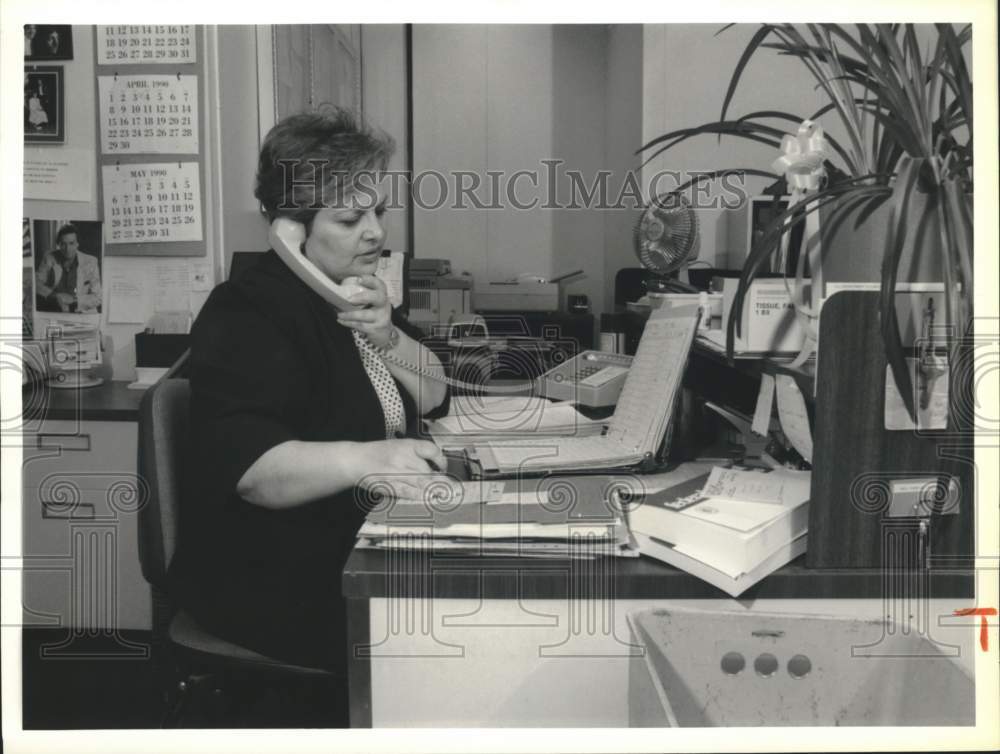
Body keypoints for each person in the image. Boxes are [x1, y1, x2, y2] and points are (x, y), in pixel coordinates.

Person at [169, 108, 452, 726]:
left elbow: (433, 398)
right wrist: (370, 458)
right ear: (288, 232)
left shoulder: (347, 293)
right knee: (456, 632)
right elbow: (252, 471)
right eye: (351, 219)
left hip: (351, 542)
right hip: (274, 574)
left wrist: (388, 336)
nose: (375, 233)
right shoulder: (247, 310)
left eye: (378, 211)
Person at [35, 223, 102, 313]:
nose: (67, 249)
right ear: (58, 244)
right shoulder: (49, 257)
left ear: (77, 244)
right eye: (63, 244)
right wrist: (56, 296)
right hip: (56, 311)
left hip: (83, 312)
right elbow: (36, 283)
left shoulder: (91, 261)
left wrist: (74, 300)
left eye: (71, 243)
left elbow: (98, 296)